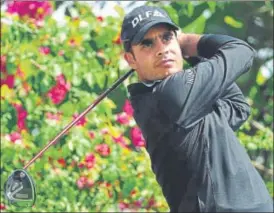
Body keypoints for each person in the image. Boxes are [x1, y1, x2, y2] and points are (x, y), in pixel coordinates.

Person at [120, 5, 273, 213]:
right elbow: (242, 51)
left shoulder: (168, 99)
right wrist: (186, 43)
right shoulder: (172, 94)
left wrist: (187, 54)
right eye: (147, 43)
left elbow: (237, 108)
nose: (162, 48)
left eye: (166, 37)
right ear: (130, 59)